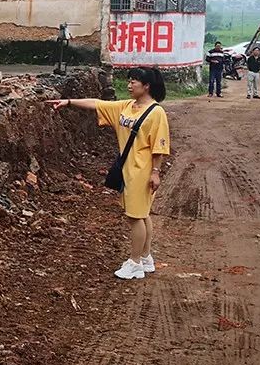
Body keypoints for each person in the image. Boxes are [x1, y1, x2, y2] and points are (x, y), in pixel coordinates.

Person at [48, 67, 171, 280]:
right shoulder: (127, 106)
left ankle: (134, 263)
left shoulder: (156, 112)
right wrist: (68, 102)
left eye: (134, 82)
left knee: (135, 217)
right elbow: (96, 104)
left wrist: (155, 172)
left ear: (147, 86)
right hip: (128, 168)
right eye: (130, 81)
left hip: (141, 171)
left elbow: (158, 147)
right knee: (142, 214)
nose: (129, 85)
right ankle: (145, 257)